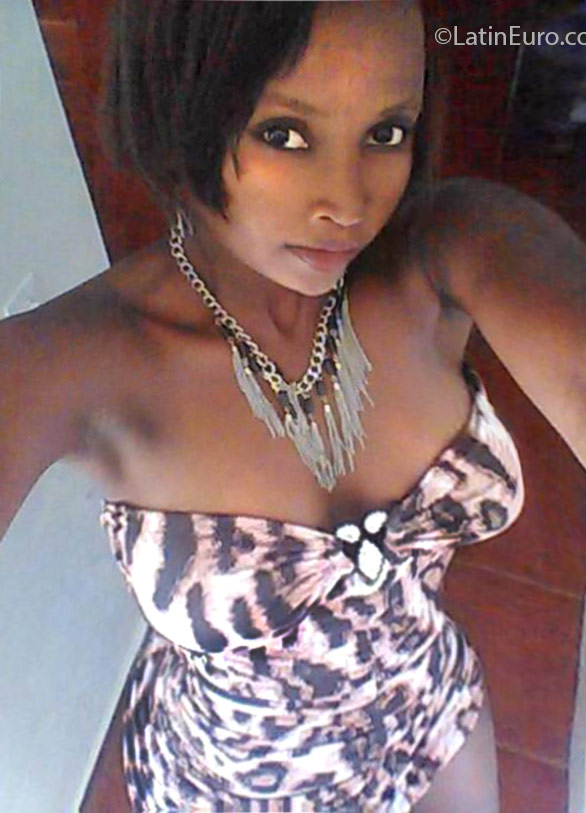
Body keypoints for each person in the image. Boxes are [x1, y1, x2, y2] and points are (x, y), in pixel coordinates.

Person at [2, 1, 585, 811]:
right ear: (179, 104)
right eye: (283, 132)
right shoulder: (68, 359)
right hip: (231, 781)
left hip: (432, 713)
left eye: (385, 132)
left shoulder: (447, 250)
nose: (348, 201)